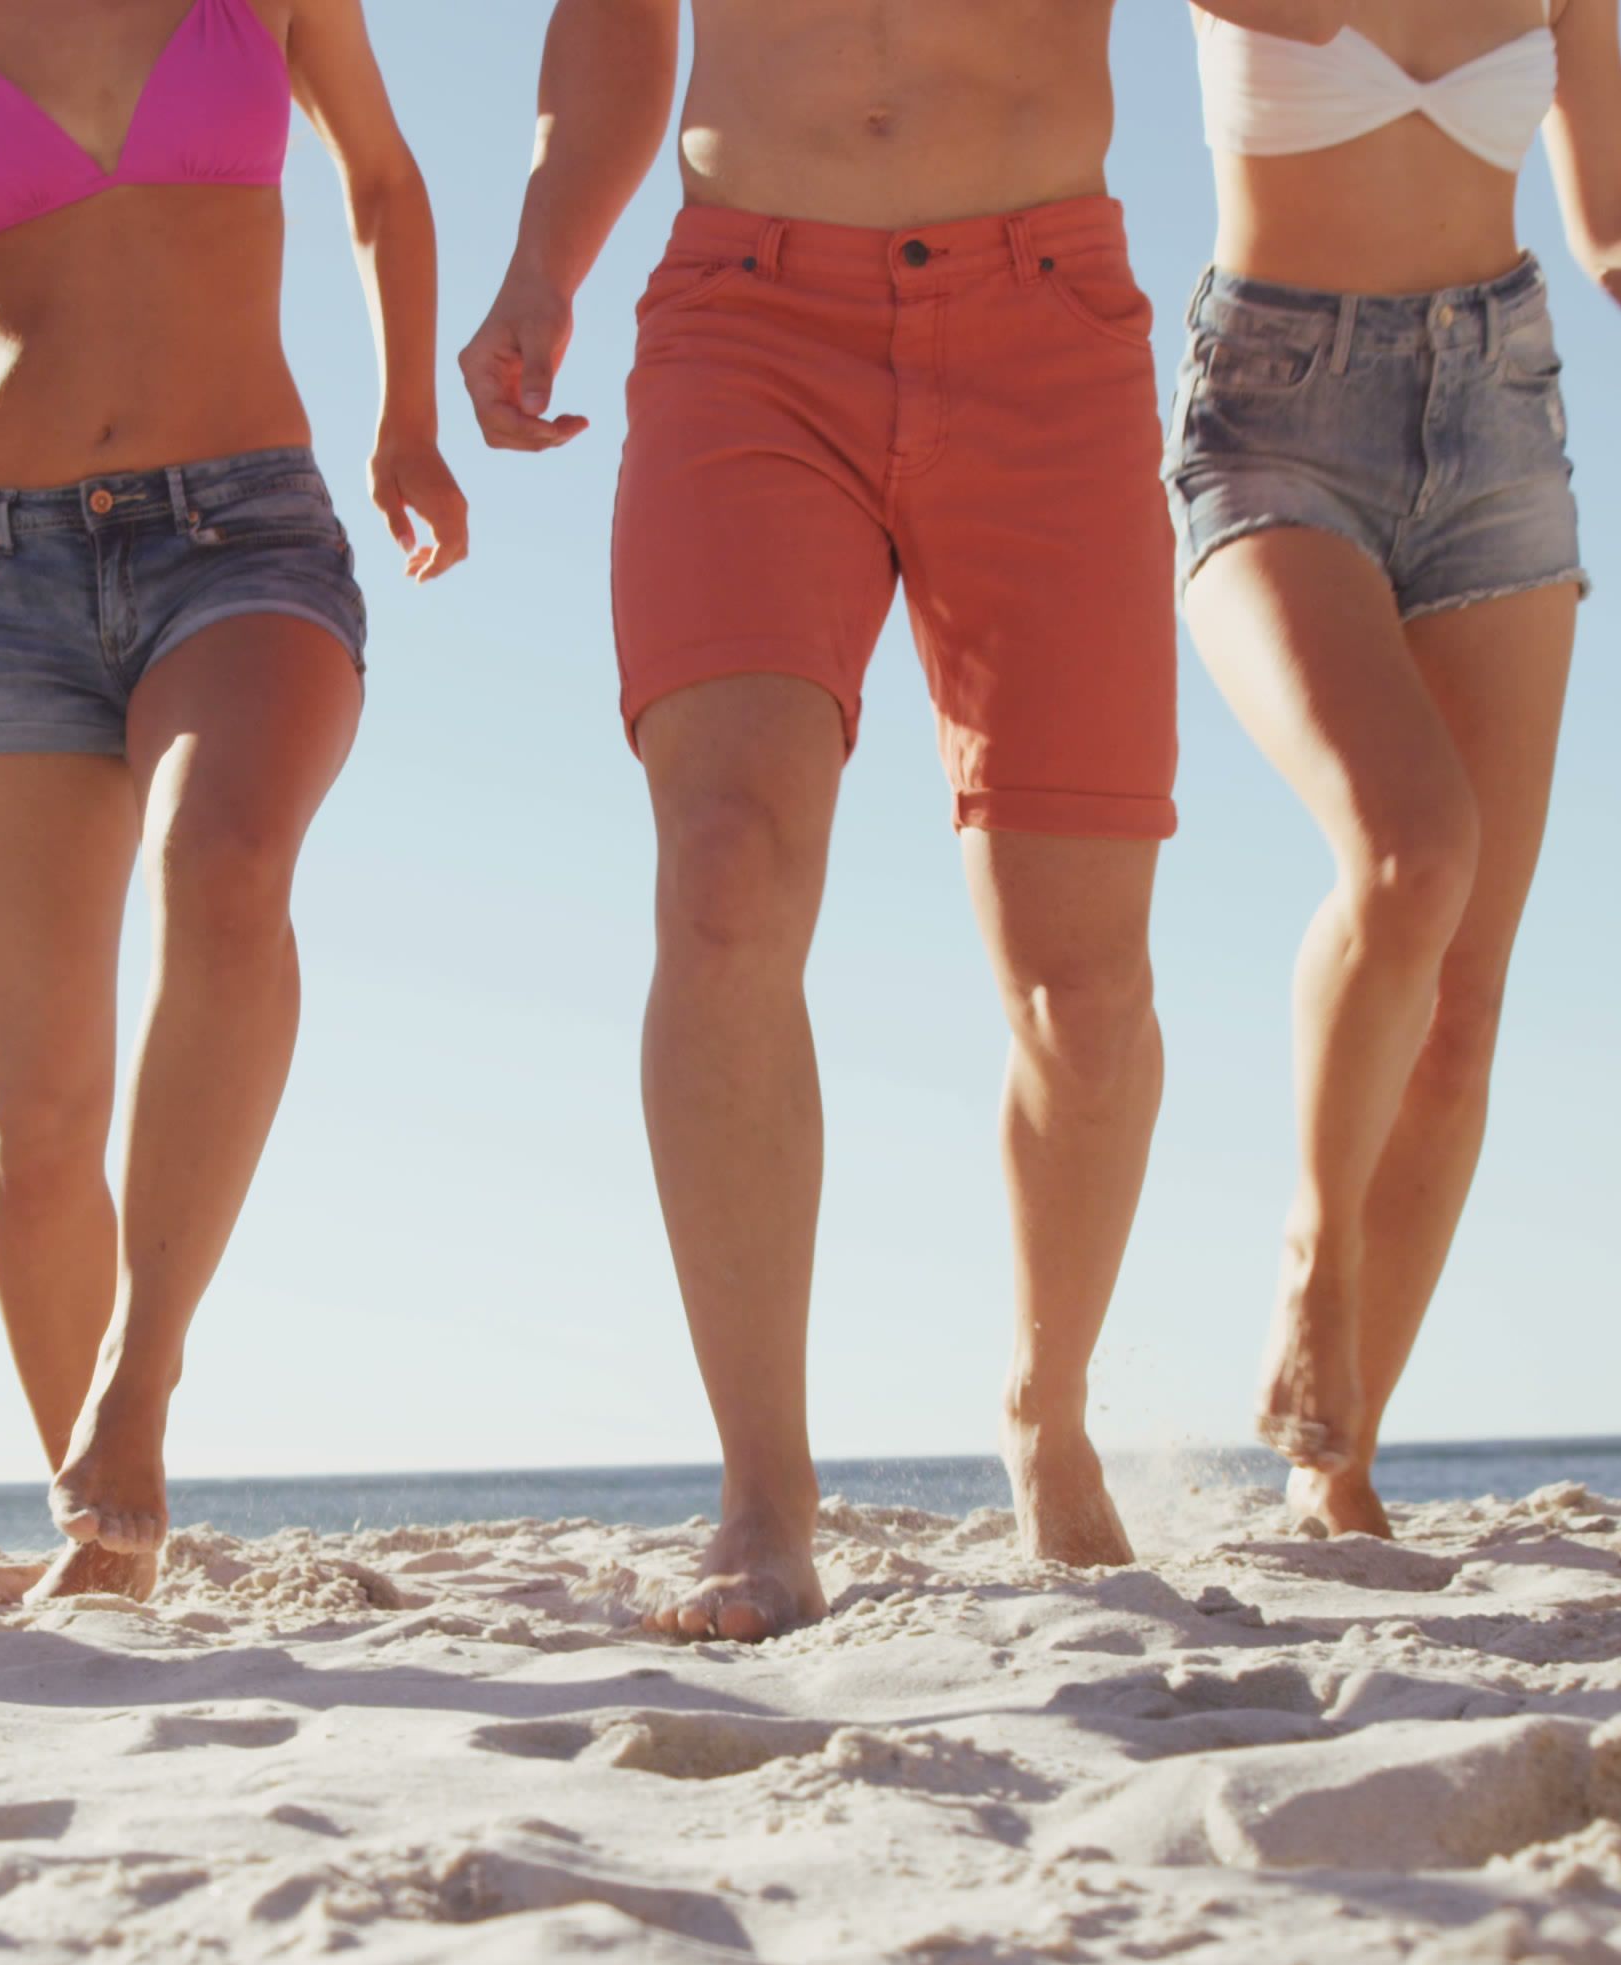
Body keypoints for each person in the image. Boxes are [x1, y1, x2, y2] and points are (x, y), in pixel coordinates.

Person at [461, 0, 1176, 1640]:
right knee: (723, 873)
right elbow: (618, 26)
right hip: (749, 321)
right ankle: (764, 1493)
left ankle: (1048, 1411)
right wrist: (542, 263)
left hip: (1048, 317)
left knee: (1085, 984)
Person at [1173, 0, 1621, 1536]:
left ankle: (1334, 1470)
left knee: (1465, 1005)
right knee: (1411, 853)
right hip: (1274, 416)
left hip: (1500, 425)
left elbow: (1613, 219)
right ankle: (1317, 1250)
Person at [0, 0, 465, 1602]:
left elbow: (381, 179)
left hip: (243, 533)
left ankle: (142, 1380)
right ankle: (100, 1550)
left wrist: (405, 425)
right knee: (30, 1111)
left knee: (222, 863)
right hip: (7, 569)